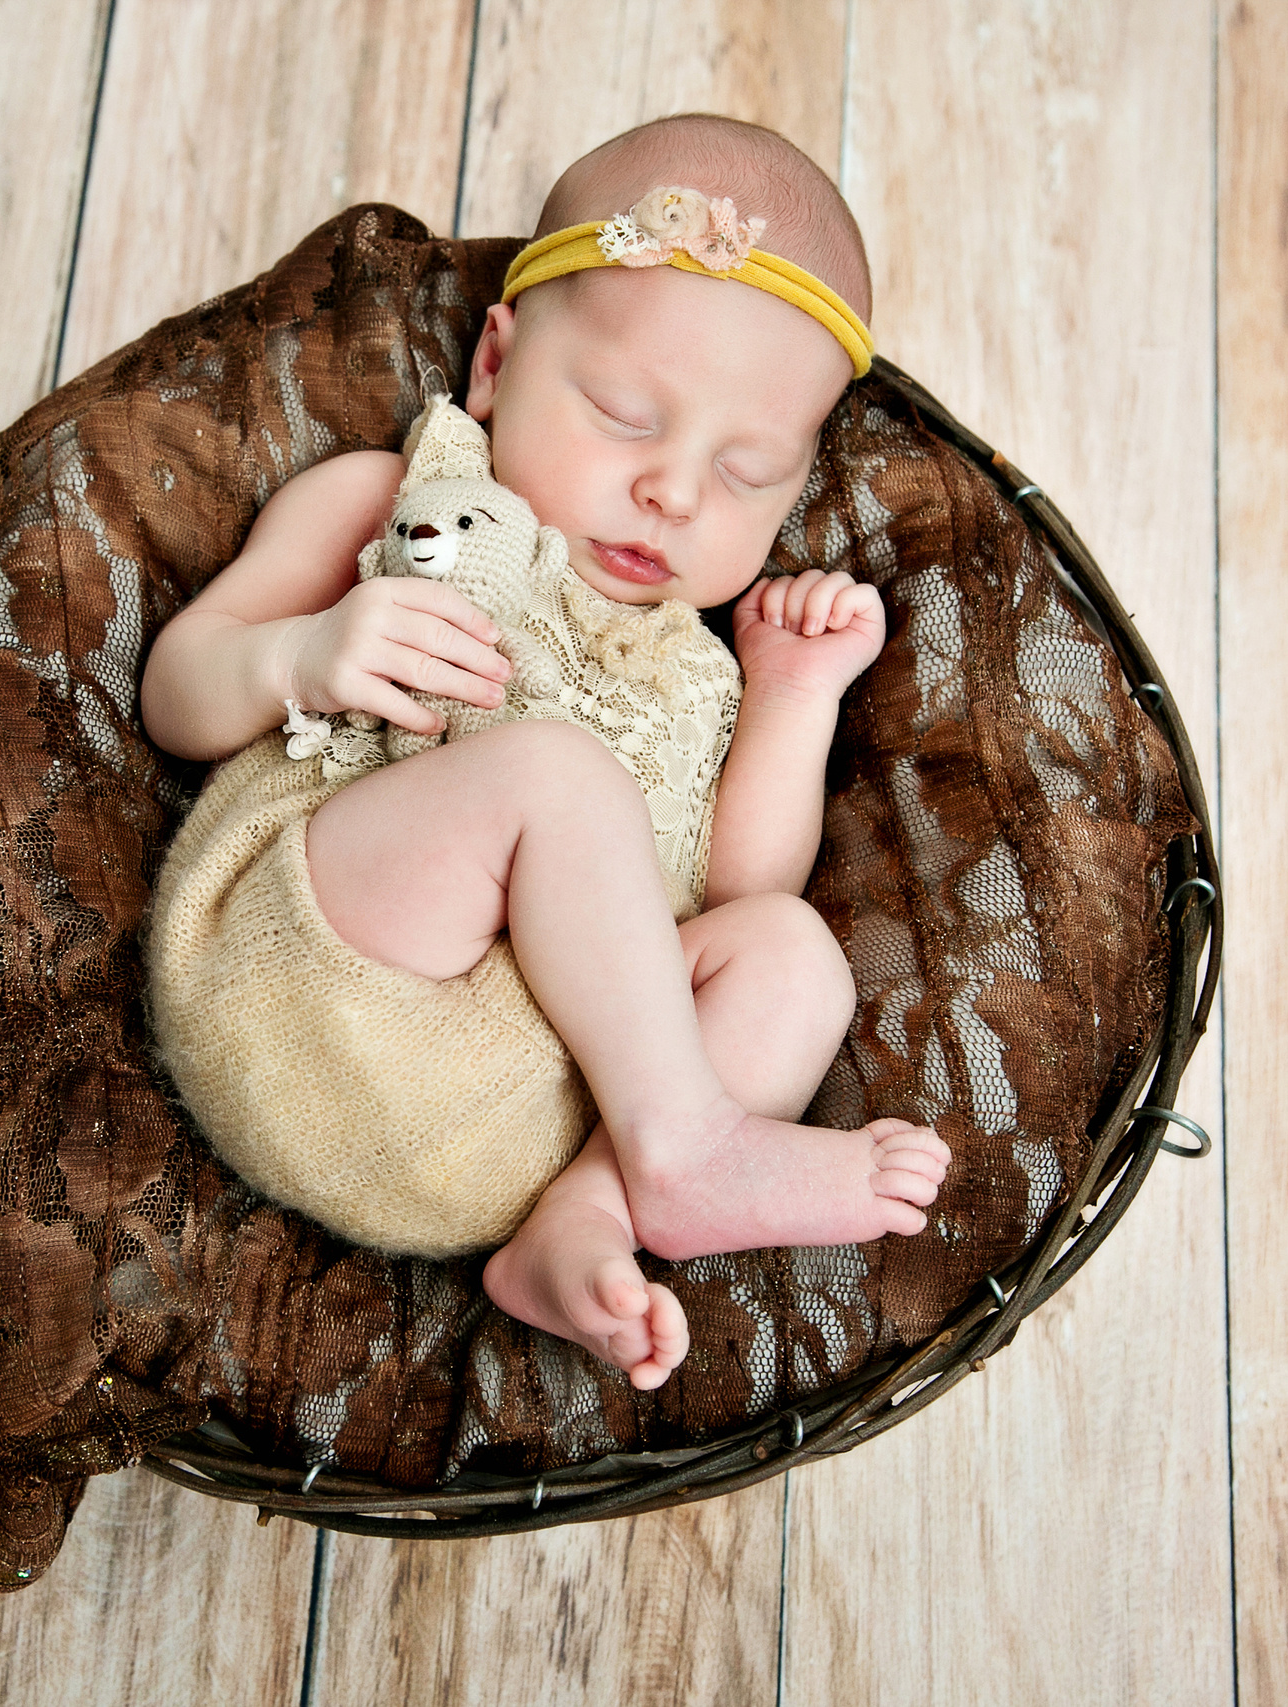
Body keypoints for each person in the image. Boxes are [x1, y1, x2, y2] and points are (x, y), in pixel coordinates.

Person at [139, 115, 949, 1391]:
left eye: (747, 474)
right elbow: (173, 695)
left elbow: (738, 892)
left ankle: (591, 1215)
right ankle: (688, 1146)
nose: (674, 492)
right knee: (554, 780)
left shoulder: (697, 667)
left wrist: (794, 697)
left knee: (795, 959)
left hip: (516, 1125)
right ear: (497, 363)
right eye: (624, 416)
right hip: (305, 981)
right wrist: (298, 655)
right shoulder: (390, 499)